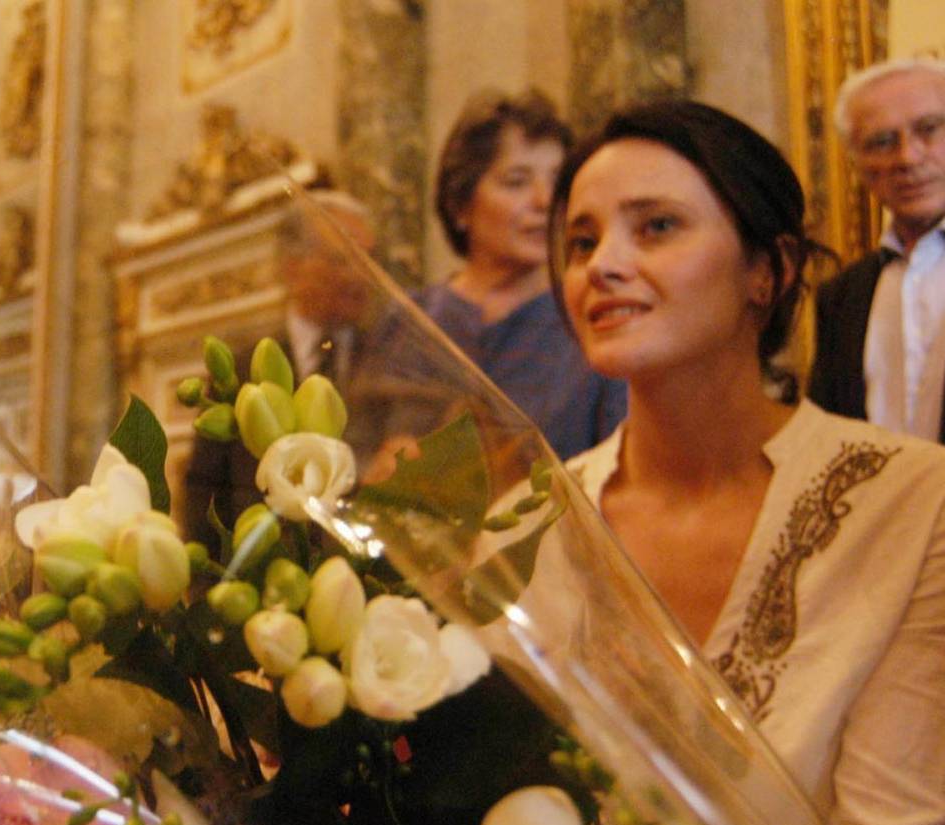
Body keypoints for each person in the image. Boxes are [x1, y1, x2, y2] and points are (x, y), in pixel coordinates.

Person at [550, 99, 945, 825]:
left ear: (768, 271)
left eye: (657, 226)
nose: (605, 265)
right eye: (583, 241)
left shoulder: (928, 504)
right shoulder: (526, 523)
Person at [421, 89, 625, 460]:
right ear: (459, 204)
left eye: (557, 182)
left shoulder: (595, 315)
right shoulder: (407, 323)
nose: (544, 201)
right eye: (517, 181)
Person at [182, 190, 378, 543]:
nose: (361, 275)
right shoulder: (240, 374)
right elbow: (204, 495)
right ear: (292, 267)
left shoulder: (387, 359)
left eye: (368, 259)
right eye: (342, 260)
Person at [810, 59, 945, 455]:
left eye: (929, 129)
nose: (908, 157)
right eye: (881, 142)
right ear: (856, 164)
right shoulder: (843, 295)